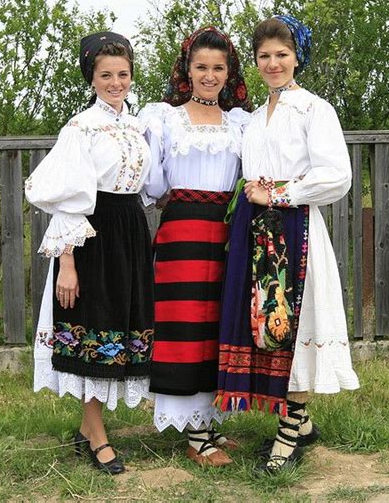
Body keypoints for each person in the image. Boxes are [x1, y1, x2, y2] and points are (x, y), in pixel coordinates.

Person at [216, 15, 360, 473]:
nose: (273, 63)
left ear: (298, 57)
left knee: (291, 325)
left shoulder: (315, 110)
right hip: (257, 230)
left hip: (293, 228)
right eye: (264, 56)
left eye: (282, 54)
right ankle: (302, 422)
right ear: (255, 61)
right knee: (266, 325)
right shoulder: (255, 118)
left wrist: (280, 193)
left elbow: (337, 175)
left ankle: (288, 433)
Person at [25, 31, 154, 475]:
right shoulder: (79, 128)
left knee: (121, 327)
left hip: (132, 231)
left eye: (122, 74)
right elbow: (67, 198)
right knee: (95, 328)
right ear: (92, 78)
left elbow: (148, 186)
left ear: (131, 75)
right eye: (106, 75)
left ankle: (88, 427)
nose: (115, 82)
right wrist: (66, 262)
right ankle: (96, 433)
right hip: (94, 236)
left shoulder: (137, 126)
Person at [140, 27, 252, 466]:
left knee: (219, 323)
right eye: (201, 66)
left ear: (229, 72)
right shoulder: (164, 119)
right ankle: (193, 432)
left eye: (218, 68)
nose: (209, 75)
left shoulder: (240, 122)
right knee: (185, 323)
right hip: (183, 227)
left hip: (226, 230)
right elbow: (154, 184)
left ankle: (211, 420)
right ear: (187, 69)